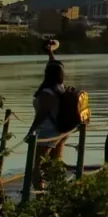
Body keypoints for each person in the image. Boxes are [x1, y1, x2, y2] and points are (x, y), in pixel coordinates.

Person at [28, 56, 69, 187]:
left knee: (37, 166)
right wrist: (51, 53)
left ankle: (40, 196)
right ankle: (58, 192)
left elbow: (42, 113)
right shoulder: (61, 88)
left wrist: (31, 130)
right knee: (54, 164)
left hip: (47, 132)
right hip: (60, 131)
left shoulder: (46, 92)